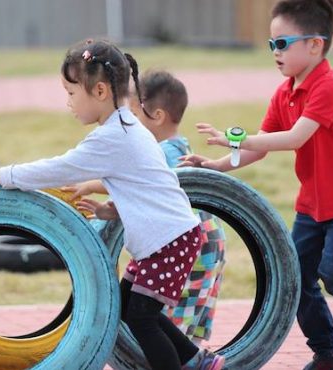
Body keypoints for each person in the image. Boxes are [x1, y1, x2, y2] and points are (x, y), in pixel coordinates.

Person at [0, 39, 224, 370]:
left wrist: (4, 174)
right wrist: (109, 209)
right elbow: (146, 187)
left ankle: (192, 364)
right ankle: (200, 361)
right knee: (131, 307)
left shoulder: (112, 137)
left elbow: (58, 168)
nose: (68, 103)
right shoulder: (129, 127)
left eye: (72, 94)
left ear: (100, 91)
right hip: (169, 238)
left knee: (142, 318)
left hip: (170, 242)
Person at [179, 1, 333, 370]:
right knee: (295, 277)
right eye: (271, 43)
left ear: (315, 45)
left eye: (282, 43)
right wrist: (215, 166)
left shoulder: (329, 88)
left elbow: (293, 139)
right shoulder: (285, 93)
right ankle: (327, 351)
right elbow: (261, 147)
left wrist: (234, 138)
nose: (274, 52)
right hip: (312, 205)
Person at [64, 70, 227, 345]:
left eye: (136, 115)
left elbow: (139, 181)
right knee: (184, 316)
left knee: (165, 318)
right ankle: (193, 360)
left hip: (186, 244)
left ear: (159, 116)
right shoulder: (179, 146)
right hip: (205, 240)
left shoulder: (160, 152)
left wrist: (92, 184)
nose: (132, 124)